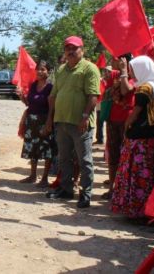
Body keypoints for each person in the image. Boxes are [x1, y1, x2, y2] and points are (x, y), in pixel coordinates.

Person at [45, 36, 100, 209]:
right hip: (61, 121)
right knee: (64, 158)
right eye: (67, 48)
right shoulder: (61, 70)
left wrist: (84, 117)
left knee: (84, 160)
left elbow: (93, 96)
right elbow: (53, 95)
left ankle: (86, 193)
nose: (70, 51)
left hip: (80, 123)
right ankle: (66, 189)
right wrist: (50, 118)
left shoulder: (90, 69)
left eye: (74, 48)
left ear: (82, 50)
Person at [110, 56, 154, 221]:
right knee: (150, 175)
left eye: (134, 69)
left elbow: (135, 114)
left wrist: (127, 124)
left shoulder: (144, 88)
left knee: (136, 175)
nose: (132, 72)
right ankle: (151, 212)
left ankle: (136, 211)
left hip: (139, 140)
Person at [101, 54, 135, 200]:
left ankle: (122, 190)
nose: (112, 61)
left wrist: (124, 72)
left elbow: (125, 90)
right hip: (112, 121)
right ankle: (111, 189)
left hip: (127, 122)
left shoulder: (133, 75)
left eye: (116, 59)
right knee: (113, 156)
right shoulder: (113, 75)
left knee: (125, 157)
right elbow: (104, 88)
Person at [18, 60, 55, 187]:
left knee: (46, 149)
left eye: (43, 69)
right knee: (32, 149)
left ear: (48, 72)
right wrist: (22, 97)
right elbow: (30, 104)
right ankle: (32, 176)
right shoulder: (33, 86)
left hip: (44, 121)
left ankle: (44, 178)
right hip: (31, 122)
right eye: (38, 69)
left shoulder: (51, 88)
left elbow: (52, 108)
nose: (39, 71)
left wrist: (49, 123)